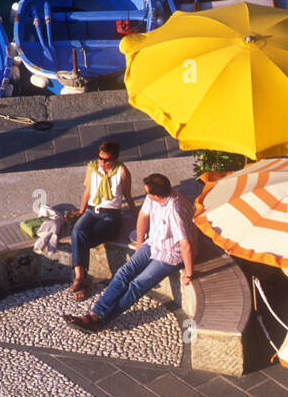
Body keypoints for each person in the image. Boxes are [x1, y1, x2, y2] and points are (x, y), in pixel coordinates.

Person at [64, 172, 197, 333]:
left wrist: (188, 274)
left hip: (170, 254)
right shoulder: (153, 198)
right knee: (123, 273)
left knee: (137, 284)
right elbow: (143, 216)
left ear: (156, 194)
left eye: (147, 192)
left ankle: (98, 320)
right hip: (152, 244)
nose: (145, 193)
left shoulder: (175, 211)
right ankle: (95, 314)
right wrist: (140, 243)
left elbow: (185, 244)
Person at [69, 142, 136, 301]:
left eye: (106, 160)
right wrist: (81, 210)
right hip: (91, 211)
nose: (102, 163)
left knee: (79, 240)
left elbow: (127, 195)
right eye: (100, 158)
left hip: (110, 214)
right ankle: (80, 278)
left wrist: (137, 215)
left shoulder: (122, 171)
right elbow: (88, 191)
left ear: (115, 159)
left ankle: (80, 280)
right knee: (77, 233)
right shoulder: (92, 168)